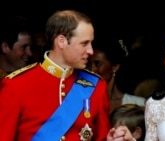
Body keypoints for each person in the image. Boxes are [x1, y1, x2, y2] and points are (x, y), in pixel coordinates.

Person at [0, 10, 110, 141]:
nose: (90, 51)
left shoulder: (96, 86)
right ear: (61, 41)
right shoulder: (16, 85)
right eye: (84, 43)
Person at [87, 37, 146, 113]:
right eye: (89, 64)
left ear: (115, 67)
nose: (92, 69)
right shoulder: (84, 101)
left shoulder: (137, 103)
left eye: (98, 64)